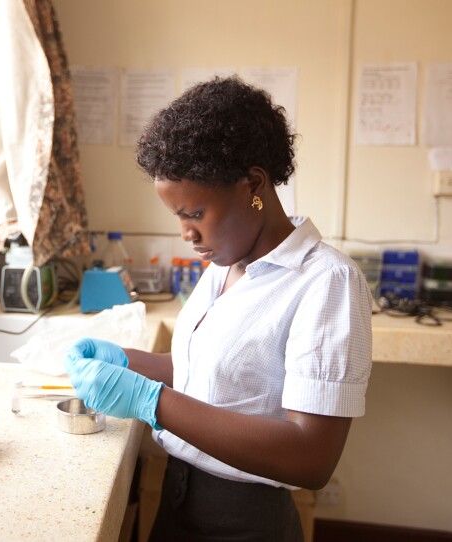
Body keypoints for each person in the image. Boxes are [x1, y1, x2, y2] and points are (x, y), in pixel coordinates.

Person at [64, 76, 372, 541]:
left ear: (253, 184)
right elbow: (210, 372)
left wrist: (152, 401)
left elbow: (311, 457)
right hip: (178, 493)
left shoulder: (327, 281)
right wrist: (129, 363)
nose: (186, 234)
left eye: (195, 214)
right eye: (178, 217)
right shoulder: (225, 262)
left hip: (243, 519)